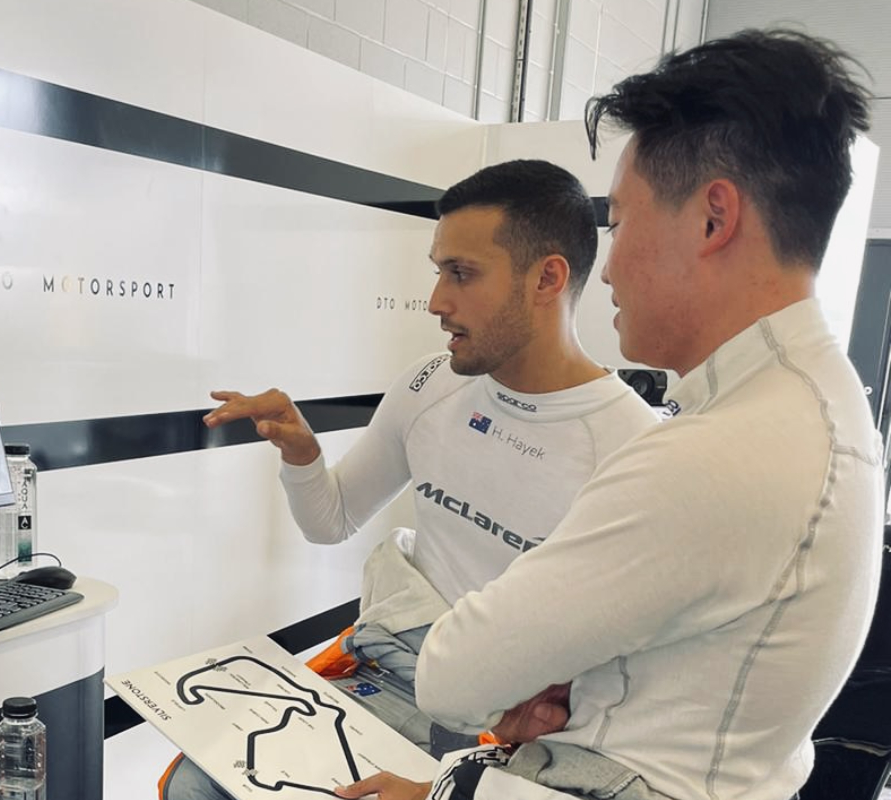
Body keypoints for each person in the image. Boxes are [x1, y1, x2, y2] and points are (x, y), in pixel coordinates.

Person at [337, 28, 884, 800]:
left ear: (713, 219)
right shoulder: (817, 408)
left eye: (620, 223)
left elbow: (452, 676)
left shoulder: (715, 453)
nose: (609, 266)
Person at [159, 159, 660, 799]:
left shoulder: (634, 449)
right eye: (438, 271)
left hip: (510, 732)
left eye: (461, 274)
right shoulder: (431, 385)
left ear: (547, 278)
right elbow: (331, 521)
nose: (436, 302)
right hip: (389, 671)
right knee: (196, 785)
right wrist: (303, 455)